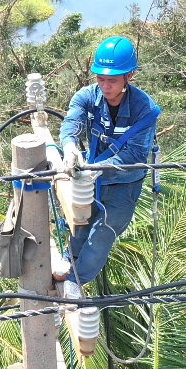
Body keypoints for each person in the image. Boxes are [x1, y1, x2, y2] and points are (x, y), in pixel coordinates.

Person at [59, 36, 160, 299]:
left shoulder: (144, 110)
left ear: (129, 76)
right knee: (79, 226)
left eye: (112, 80)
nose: (105, 85)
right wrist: (70, 146)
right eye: (100, 79)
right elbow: (73, 122)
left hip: (123, 185)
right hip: (91, 179)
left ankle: (74, 281)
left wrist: (98, 169)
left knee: (100, 236)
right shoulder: (87, 97)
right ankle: (65, 264)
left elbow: (135, 154)